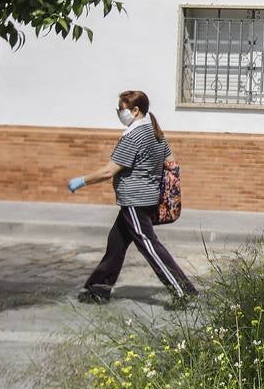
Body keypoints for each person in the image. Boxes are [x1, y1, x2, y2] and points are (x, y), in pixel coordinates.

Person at [67, 90, 197, 305]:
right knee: (116, 244)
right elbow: (171, 162)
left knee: (149, 245)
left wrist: (82, 181)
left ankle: (183, 291)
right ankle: (98, 289)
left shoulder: (134, 135)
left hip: (135, 201)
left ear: (135, 110)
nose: (120, 113)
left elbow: (109, 171)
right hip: (145, 197)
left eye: (122, 109)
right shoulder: (155, 132)